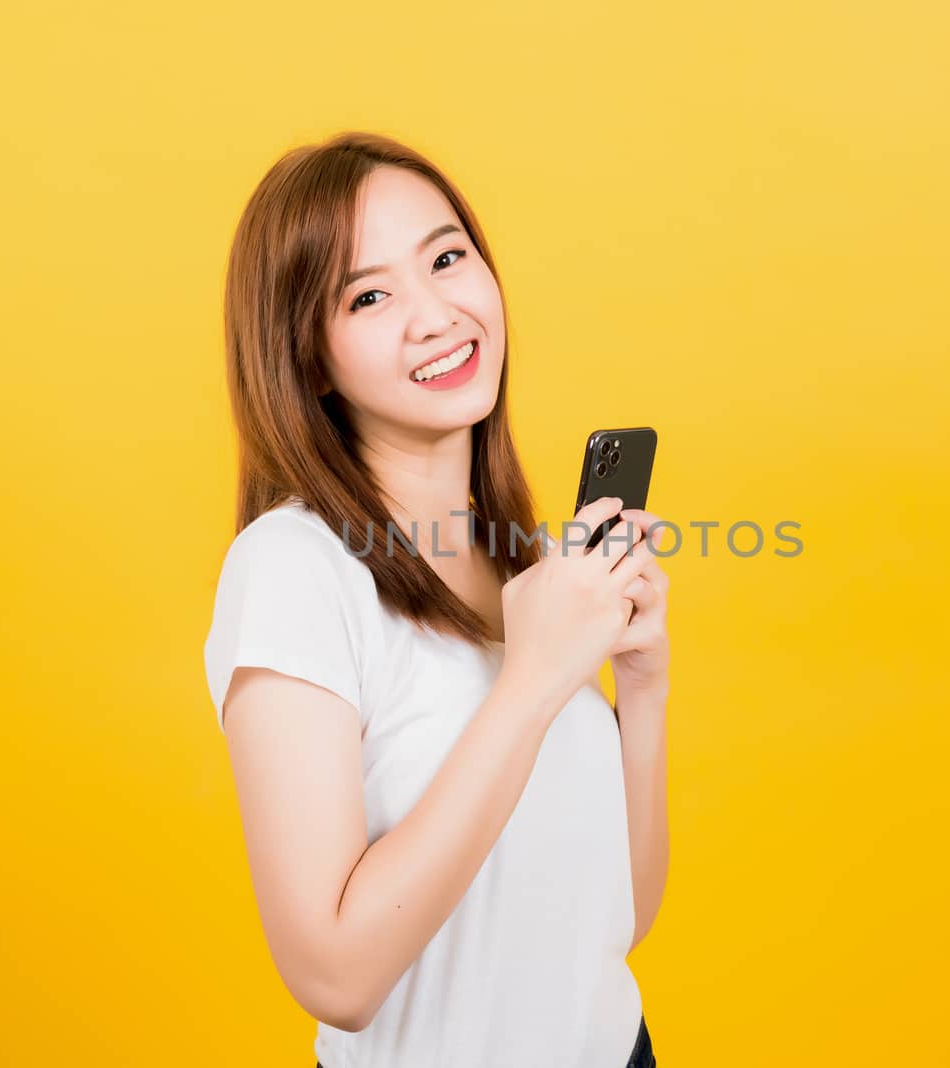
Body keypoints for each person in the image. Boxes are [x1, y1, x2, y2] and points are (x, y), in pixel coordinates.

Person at [202, 131, 670, 1068]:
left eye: (448, 259)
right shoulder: (295, 567)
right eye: (369, 295)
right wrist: (534, 680)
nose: (435, 315)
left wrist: (642, 685)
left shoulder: (529, 562)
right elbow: (337, 978)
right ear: (309, 356)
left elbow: (619, 915)